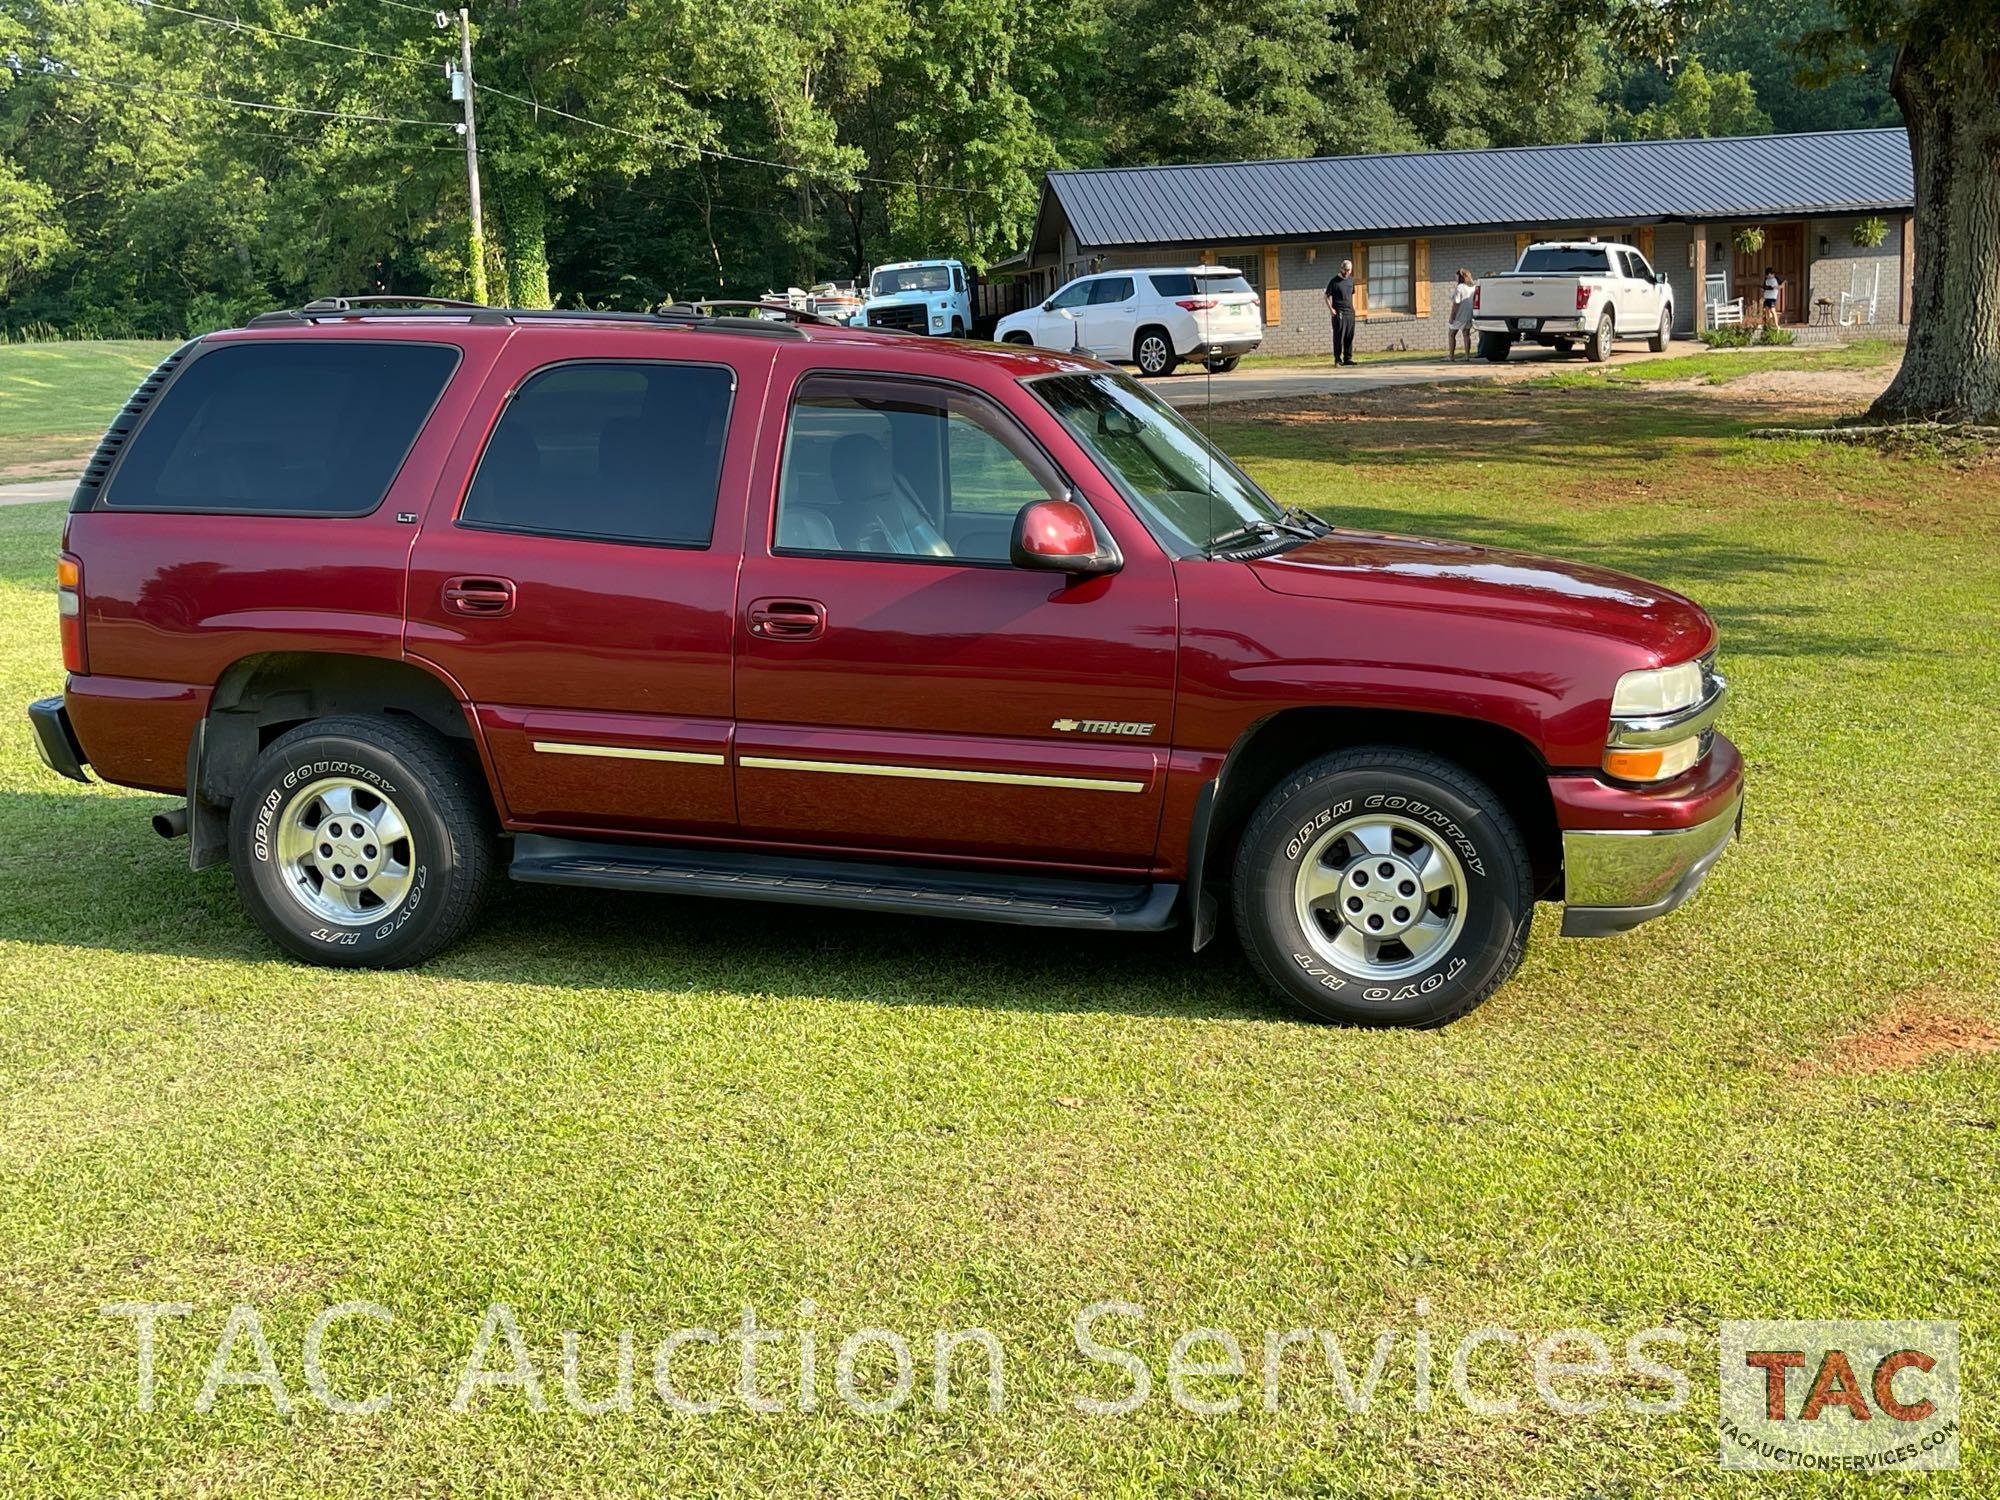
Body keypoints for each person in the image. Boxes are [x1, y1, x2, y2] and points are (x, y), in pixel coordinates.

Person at [1323, 259, 1357, 366]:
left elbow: (1352, 295)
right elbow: (1326, 296)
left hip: (1350, 313)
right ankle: (1338, 359)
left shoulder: (1351, 281)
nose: (1347, 272)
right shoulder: (1334, 281)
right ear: (1341, 269)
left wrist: (1354, 308)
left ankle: (1348, 358)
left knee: (1349, 336)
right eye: (1345, 270)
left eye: (1349, 270)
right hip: (1339, 313)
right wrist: (1331, 310)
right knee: (1338, 337)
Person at [1447, 267, 1477, 360]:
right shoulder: (1473, 287)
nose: (1455, 278)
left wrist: (1452, 316)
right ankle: (1467, 356)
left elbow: (1456, 303)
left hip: (1459, 315)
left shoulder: (1459, 288)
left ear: (1460, 277)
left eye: (1456, 277)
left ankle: (1451, 356)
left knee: (1451, 334)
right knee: (1466, 334)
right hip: (1469, 314)